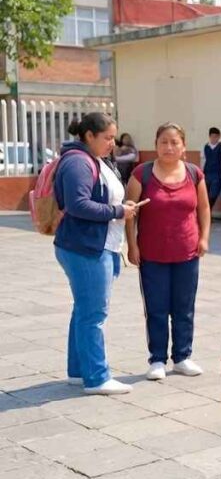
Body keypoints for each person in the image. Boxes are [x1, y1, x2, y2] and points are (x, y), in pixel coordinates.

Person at [53, 112, 140, 395]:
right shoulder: (78, 162)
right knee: (93, 314)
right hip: (86, 247)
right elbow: (78, 204)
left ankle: (78, 371)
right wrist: (118, 212)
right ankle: (97, 377)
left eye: (114, 137)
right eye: (107, 137)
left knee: (83, 310)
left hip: (94, 245)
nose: (112, 143)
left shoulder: (93, 159)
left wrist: (120, 206)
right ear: (89, 136)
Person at [125, 123, 211, 380]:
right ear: (156, 145)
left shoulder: (195, 174)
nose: (169, 147)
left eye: (175, 142)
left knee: (184, 307)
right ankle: (157, 359)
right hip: (152, 254)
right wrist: (132, 245)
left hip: (187, 252)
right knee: (156, 307)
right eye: (164, 142)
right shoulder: (142, 174)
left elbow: (204, 209)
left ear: (183, 146)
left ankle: (183, 356)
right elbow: (130, 214)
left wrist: (204, 238)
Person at [201, 127, 221, 208]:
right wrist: (201, 172)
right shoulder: (205, 146)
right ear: (209, 136)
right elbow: (203, 160)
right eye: (212, 136)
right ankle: (207, 212)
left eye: (216, 136)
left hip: (217, 174)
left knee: (214, 194)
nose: (214, 138)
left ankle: (209, 209)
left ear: (219, 137)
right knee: (206, 194)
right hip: (207, 173)